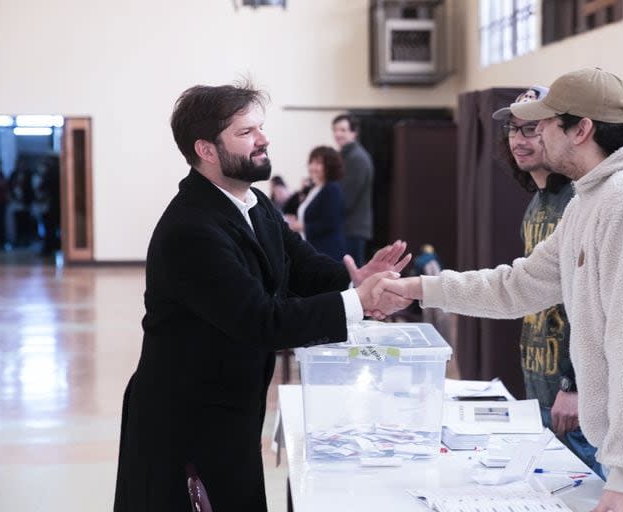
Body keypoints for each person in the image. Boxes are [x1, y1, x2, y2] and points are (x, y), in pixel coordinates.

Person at [373, 68, 623, 512]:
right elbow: (517, 286)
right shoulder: (592, 198)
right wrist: (415, 288)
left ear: (581, 129)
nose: (535, 135)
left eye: (544, 123)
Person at [113, 82, 412, 512]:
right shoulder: (191, 229)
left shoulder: (254, 203)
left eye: (261, 128)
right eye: (246, 132)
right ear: (207, 150)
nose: (263, 139)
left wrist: (353, 281)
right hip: (185, 420)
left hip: (231, 408)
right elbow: (259, 321)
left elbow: (301, 265)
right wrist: (358, 303)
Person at [491, 86, 602, 477]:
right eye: (514, 130)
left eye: (532, 129)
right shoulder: (535, 205)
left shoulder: (578, 199)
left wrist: (573, 385)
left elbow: (592, 300)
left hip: (575, 398)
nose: (520, 140)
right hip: (540, 385)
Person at [286, 146, 345, 261]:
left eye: (318, 163)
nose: (312, 167)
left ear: (329, 167)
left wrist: (302, 226)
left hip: (327, 250)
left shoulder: (332, 189)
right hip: (312, 246)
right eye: (311, 162)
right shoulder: (314, 188)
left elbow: (331, 223)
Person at [332, 113, 373, 266]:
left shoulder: (356, 158)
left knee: (351, 279)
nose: (338, 134)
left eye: (343, 130)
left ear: (354, 133)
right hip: (347, 227)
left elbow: (346, 198)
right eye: (335, 130)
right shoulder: (345, 156)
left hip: (352, 228)